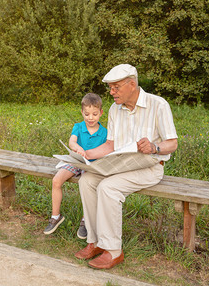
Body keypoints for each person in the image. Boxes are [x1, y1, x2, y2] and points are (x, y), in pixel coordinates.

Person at [74, 64, 178, 269]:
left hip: (148, 168)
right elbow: (110, 145)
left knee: (108, 187)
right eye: (110, 88)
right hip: (119, 166)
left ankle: (113, 251)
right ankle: (94, 242)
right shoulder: (114, 109)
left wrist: (155, 147)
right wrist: (85, 155)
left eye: (116, 87)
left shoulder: (159, 105)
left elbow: (172, 143)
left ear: (132, 84)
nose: (111, 93)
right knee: (86, 180)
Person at [44, 93, 107, 239]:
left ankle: (86, 220)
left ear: (101, 113)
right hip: (76, 161)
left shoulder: (104, 132)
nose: (90, 118)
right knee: (56, 181)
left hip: (91, 166)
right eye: (87, 114)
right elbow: (72, 141)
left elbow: (105, 150)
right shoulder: (78, 127)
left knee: (87, 187)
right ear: (82, 112)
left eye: (94, 114)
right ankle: (56, 216)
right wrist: (77, 148)